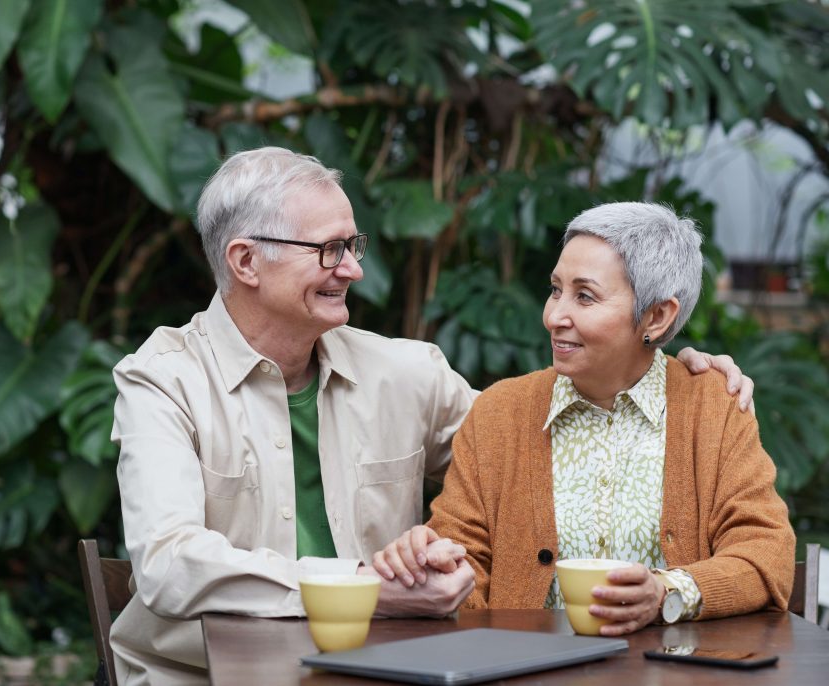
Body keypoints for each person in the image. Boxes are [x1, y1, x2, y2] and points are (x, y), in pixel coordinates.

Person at [109, 150, 753, 685]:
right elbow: (167, 565)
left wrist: (661, 366)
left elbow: (539, 444)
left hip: (379, 674)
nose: (355, 270)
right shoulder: (161, 382)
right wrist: (362, 589)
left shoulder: (405, 373)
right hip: (200, 677)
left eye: (353, 245)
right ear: (246, 260)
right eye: (330, 250)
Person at [373, 202, 794, 637]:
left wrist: (667, 593)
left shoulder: (714, 409)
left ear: (657, 316)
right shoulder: (500, 412)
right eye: (555, 290)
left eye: (585, 296)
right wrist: (432, 565)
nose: (554, 316)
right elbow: (462, 560)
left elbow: (766, 554)